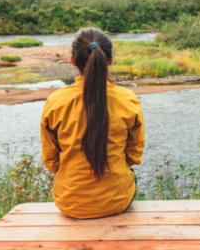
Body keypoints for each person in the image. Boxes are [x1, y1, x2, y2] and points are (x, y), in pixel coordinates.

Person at [40, 27, 145, 219]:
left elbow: (51, 162)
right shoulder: (128, 99)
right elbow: (134, 157)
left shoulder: (56, 102)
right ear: (109, 61)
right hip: (117, 201)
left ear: (73, 61)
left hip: (70, 202)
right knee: (129, 176)